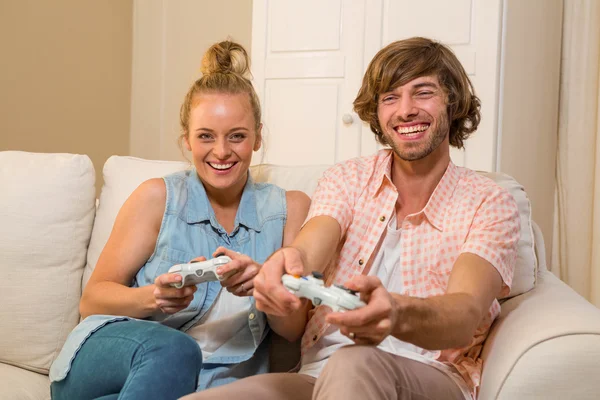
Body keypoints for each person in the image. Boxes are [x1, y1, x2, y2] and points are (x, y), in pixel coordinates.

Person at [183, 37, 520, 400]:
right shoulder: (347, 179)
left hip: (431, 375)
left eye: (422, 93)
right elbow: (309, 250)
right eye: (390, 97)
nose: (405, 110)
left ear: (453, 101)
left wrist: (396, 312)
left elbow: (465, 313)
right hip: (320, 375)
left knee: (355, 363)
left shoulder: (489, 201)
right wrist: (282, 270)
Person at [49, 40, 310, 400]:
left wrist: (263, 288)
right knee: (175, 350)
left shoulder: (289, 209)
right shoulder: (158, 197)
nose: (221, 152)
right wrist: (155, 297)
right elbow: (92, 300)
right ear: (186, 139)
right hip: (112, 356)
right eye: (206, 136)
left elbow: (295, 329)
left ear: (258, 137)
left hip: (204, 387)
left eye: (237, 136)